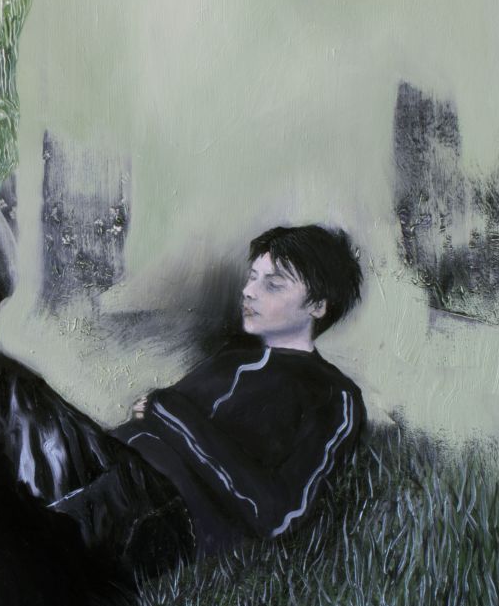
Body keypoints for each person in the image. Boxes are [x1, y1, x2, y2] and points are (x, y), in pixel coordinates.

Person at [49, 224, 367, 570]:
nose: (249, 292)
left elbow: (276, 515)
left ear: (317, 306)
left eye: (272, 284)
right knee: (16, 395)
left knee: (45, 530)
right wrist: (162, 414)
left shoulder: (333, 396)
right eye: (252, 278)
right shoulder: (230, 361)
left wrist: (167, 410)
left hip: (164, 505)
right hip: (112, 460)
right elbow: (151, 421)